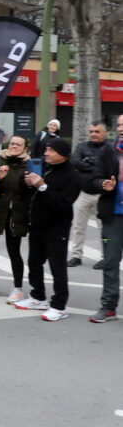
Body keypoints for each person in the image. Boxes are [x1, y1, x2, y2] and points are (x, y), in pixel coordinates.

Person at [15, 138, 80, 321]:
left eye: (51, 150)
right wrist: (27, 181)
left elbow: (63, 203)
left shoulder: (72, 176)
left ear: (63, 155)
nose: (46, 153)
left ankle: (59, 306)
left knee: (57, 266)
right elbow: (23, 185)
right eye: (46, 150)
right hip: (37, 224)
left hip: (57, 227)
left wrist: (42, 187)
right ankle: (37, 297)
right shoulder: (42, 165)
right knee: (34, 262)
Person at [0, 135, 31, 303]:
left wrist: (29, 183)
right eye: (12, 143)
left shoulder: (28, 165)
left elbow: (29, 192)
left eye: (19, 144)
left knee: (13, 251)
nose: (15, 146)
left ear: (25, 149)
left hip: (16, 213)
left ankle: (17, 288)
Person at [89, 114, 123, 323]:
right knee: (110, 262)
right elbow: (93, 179)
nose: (121, 128)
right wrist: (103, 184)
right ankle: (108, 306)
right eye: (119, 124)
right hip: (113, 215)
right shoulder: (109, 151)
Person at [68, 121, 108, 268]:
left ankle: (106, 256)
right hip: (83, 193)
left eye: (97, 131)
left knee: (103, 229)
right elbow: (74, 161)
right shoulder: (82, 146)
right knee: (78, 226)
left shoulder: (109, 149)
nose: (93, 134)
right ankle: (76, 255)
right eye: (91, 131)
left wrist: (88, 163)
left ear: (104, 133)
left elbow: (108, 168)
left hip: (102, 195)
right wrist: (94, 165)